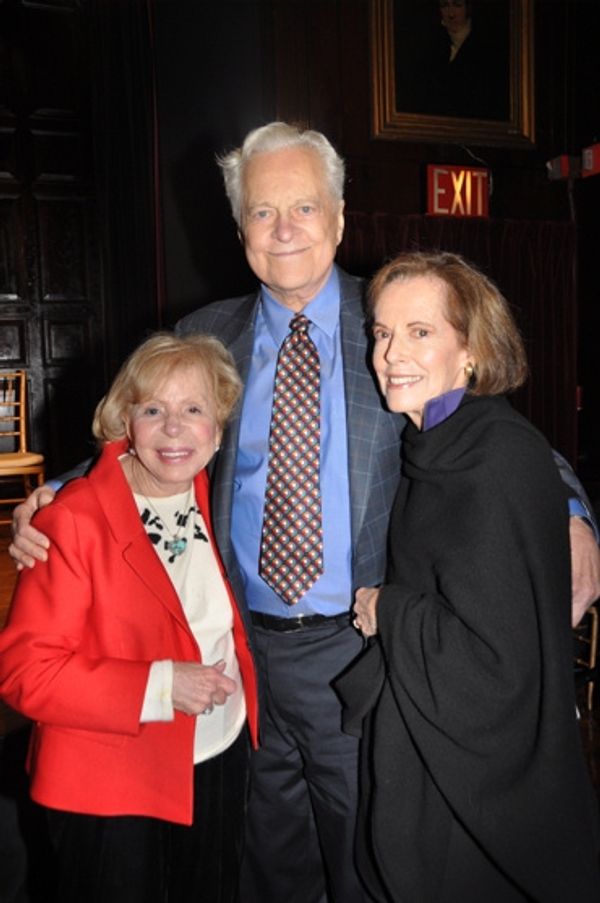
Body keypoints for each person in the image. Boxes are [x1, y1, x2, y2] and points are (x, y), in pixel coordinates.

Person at [8, 122, 600, 902]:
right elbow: (148, 437)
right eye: (262, 211)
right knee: (267, 862)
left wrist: (572, 512)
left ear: (341, 218)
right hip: (241, 656)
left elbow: (496, 430)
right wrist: (55, 497)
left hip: (359, 657)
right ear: (239, 226)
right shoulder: (205, 332)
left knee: (373, 858)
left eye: (304, 208)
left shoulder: (391, 326)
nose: (284, 229)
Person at [337, 251, 600, 902]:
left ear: (471, 351)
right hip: (429, 743)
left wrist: (386, 610)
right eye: (382, 331)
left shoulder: (494, 457)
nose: (392, 351)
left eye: (420, 331)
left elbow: (496, 663)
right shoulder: (434, 441)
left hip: (478, 783)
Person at [0, 333, 259, 903]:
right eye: (153, 409)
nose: (173, 427)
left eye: (194, 409)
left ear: (217, 429)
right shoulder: (72, 521)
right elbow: (25, 673)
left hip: (218, 755)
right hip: (110, 782)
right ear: (126, 422)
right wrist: (163, 685)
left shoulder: (222, 498)